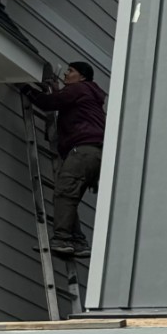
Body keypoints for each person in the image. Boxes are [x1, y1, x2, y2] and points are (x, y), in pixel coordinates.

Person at [22, 59, 106, 255]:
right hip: (96, 154)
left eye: (71, 71)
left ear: (82, 76)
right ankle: (77, 241)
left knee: (64, 193)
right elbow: (62, 99)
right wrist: (55, 89)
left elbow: (49, 102)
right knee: (71, 196)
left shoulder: (80, 88)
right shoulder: (90, 95)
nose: (66, 74)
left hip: (83, 150)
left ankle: (61, 240)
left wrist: (26, 89)